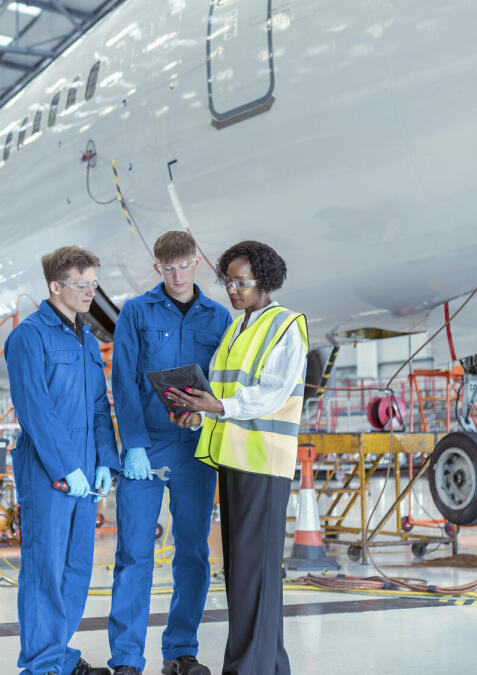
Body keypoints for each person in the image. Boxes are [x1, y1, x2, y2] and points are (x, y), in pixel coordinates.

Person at [165, 241, 306, 675]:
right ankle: (270, 665)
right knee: (245, 573)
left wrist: (218, 407)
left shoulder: (285, 325)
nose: (231, 289)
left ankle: (248, 668)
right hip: (235, 460)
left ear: (264, 281)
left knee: (253, 575)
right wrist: (197, 413)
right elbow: (222, 393)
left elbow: (271, 393)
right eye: (228, 280)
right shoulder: (238, 326)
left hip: (263, 464)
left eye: (240, 282)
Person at [107, 232, 231, 675]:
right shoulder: (136, 313)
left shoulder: (219, 319)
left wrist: (206, 420)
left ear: (197, 261)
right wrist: (134, 445)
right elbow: (124, 381)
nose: (177, 276)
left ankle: (181, 651)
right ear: (157, 267)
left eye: (184, 265)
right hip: (148, 446)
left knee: (193, 553)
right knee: (134, 554)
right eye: (168, 268)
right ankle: (125, 659)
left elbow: (225, 385)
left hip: (196, 449)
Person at [5, 245, 121, 675]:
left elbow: (97, 405)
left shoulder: (87, 339)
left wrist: (106, 461)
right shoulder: (28, 337)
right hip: (48, 472)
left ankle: (57, 654)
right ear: (56, 286)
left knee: (76, 569)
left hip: (87, 472)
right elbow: (35, 407)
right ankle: (41, 664)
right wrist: (64, 467)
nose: (91, 291)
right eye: (81, 284)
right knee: (44, 570)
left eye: (93, 283)